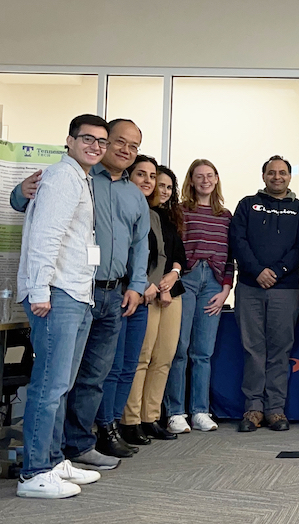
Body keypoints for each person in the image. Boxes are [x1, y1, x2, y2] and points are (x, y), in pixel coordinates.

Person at [12, 118, 150, 471]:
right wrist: (19, 191)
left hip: (110, 294)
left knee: (90, 377)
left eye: (133, 146)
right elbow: (38, 221)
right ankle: (43, 462)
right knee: (56, 380)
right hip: (69, 291)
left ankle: (74, 446)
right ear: (73, 142)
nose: (125, 150)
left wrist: (135, 287)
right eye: (119, 141)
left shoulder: (134, 194)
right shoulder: (70, 177)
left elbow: (140, 247)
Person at [15, 114, 108, 498]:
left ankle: (53, 461)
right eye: (88, 138)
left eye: (102, 141)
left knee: (63, 385)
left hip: (76, 291)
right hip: (56, 293)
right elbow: (45, 235)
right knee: (49, 385)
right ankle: (33, 472)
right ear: (69, 141)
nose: (96, 146)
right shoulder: (61, 177)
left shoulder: (80, 179)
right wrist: (39, 290)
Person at [230, 155, 299, 432]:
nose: (277, 177)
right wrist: (257, 271)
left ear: (290, 177)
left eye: (282, 173)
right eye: (271, 173)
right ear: (263, 176)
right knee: (252, 348)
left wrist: (277, 271)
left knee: (280, 350)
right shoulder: (246, 205)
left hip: (285, 289)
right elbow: (237, 242)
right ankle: (253, 408)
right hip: (250, 287)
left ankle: (276, 409)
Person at [94, 155, 161, 458]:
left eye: (151, 176)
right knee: (111, 367)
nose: (147, 181)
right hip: (116, 293)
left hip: (140, 296)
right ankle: (103, 426)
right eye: (141, 174)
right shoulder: (105, 196)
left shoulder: (151, 212)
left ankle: (116, 426)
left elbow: (147, 253)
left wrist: (147, 283)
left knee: (128, 367)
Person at [164, 159, 234, 434]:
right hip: (187, 281)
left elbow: (231, 257)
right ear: (191, 181)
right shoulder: (180, 212)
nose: (205, 180)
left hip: (214, 285)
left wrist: (226, 289)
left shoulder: (225, 216)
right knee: (179, 348)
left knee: (203, 352)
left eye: (209, 176)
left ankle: (200, 410)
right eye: (199, 176)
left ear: (216, 179)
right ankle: (175, 411)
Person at [120, 164, 186, 444]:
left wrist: (174, 274)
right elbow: (135, 257)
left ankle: (151, 417)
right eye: (158, 184)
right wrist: (153, 284)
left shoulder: (166, 218)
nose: (162, 189)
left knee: (164, 358)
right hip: (146, 291)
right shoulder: (135, 212)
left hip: (171, 291)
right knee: (141, 358)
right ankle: (131, 420)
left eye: (168, 187)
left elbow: (177, 255)